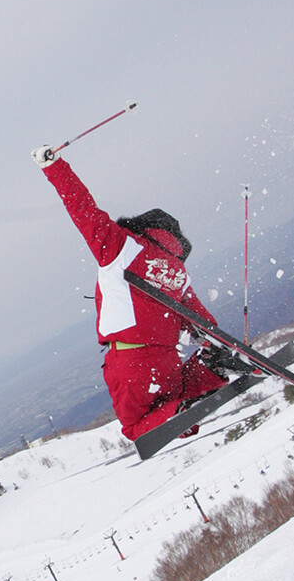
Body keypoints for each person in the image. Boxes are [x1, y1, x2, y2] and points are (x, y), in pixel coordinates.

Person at [31, 145, 237, 441]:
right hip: (168, 362)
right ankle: (212, 369)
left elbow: (82, 208)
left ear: (144, 226)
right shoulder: (177, 272)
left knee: (134, 428)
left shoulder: (118, 245)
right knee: (167, 404)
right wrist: (225, 347)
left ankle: (183, 407)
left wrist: (53, 167)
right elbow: (201, 323)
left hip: (131, 365)